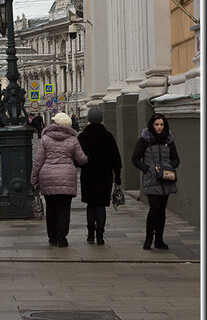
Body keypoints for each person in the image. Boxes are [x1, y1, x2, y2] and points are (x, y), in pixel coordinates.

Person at [30, 111, 87, 247]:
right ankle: (62, 238)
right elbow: (82, 159)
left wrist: (33, 178)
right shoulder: (73, 139)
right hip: (66, 177)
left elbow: (38, 161)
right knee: (64, 209)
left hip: (47, 176)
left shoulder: (45, 139)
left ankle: (52, 238)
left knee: (51, 209)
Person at [132, 112, 180, 250]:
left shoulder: (168, 140)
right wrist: (147, 169)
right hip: (151, 179)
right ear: (152, 125)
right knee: (154, 208)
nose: (159, 127)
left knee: (162, 211)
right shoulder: (145, 140)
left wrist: (170, 166)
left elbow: (176, 158)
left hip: (166, 179)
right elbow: (135, 158)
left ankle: (159, 240)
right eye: (156, 124)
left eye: (161, 125)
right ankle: (149, 238)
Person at [77, 107, 122, 245]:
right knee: (101, 205)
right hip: (105, 176)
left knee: (91, 205)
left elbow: (78, 158)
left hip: (88, 175)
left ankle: (90, 234)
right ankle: (100, 236)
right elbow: (116, 158)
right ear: (101, 119)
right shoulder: (108, 136)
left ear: (89, 119)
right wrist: (118, 177)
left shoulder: (82, 136)